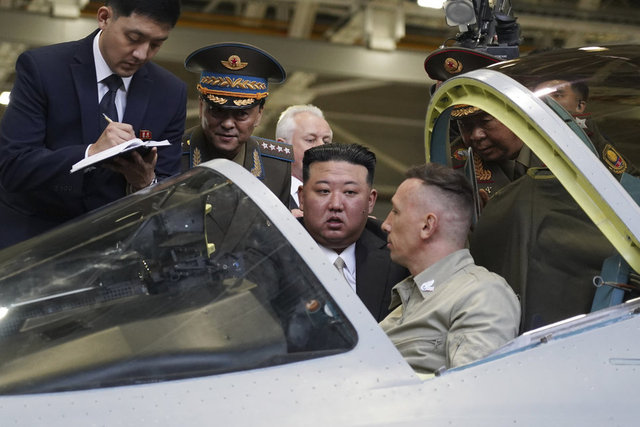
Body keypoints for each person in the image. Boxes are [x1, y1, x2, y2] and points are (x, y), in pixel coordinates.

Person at [0, 0, 186, 250]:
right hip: (30, 242)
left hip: (112, 251)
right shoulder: (43, 69)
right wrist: (90, 153)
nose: (142, 54)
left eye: (156, 44)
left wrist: (144, 183)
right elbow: (13, 166)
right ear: (104, 18)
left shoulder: (170, 93)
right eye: (133, 38)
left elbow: (167, 189)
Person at [379, 163, 520, 374]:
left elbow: (473, 386)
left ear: (427, 226)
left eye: (396, 212)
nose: (386, 224)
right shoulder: (411, 300)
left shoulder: (482, 294)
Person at [298, 143, 408, 321]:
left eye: (349, 192)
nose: (335, 205)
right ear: (302, 197)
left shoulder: (399, 253)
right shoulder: (270, 250)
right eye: (324, 191)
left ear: (370, 201)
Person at [182, 42, 293, 206]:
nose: (227, 124)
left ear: (259, 114)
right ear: (201, 107)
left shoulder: (277, 166)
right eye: (217, 111)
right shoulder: (172, 155)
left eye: (241, 114)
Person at [275, 104, 333, 209]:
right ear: (283, 147)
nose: (322, 147)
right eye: (310, 140)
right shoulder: (265, 194)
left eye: (326, 141)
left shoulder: (340, 198)